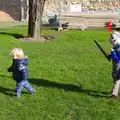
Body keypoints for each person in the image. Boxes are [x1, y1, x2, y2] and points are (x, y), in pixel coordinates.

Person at [108, 31, 120, 98]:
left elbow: (117, 59)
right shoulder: (117, 46)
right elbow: (114, 55)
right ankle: (114, 91)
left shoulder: (119, 48)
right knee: (117, 80)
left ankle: (114, 95)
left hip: (118, 66)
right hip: (116, 66)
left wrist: (112, 52)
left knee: (116, 79)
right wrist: (109, 56)